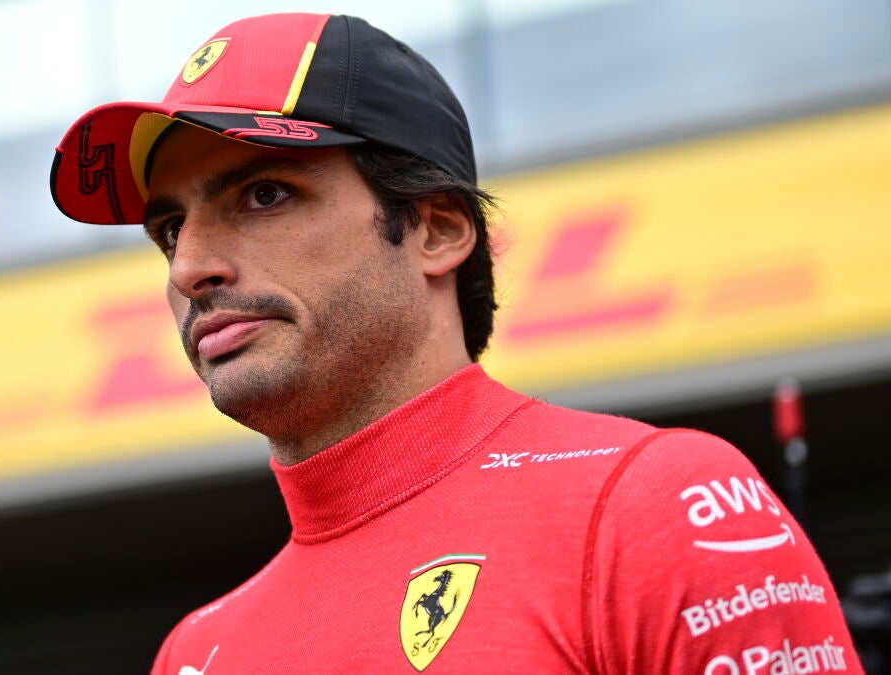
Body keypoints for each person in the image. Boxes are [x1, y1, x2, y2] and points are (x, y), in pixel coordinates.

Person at [51, 12, 859, 674]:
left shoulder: (659, 503)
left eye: (264, 194)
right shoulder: (195, 653)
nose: (189, 267)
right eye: (170, 229)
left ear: (437, 229)